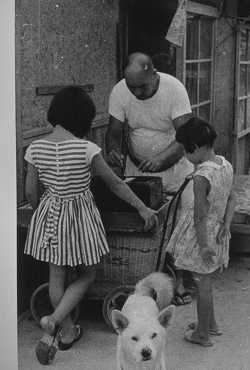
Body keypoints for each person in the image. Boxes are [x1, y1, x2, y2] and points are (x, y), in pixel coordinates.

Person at [25, 87, 158, 365]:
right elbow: (115, 184)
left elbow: (30, 193)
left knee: (57, 275)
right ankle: (56, 320)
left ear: (55, 114)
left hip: (50, 215)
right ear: (82, 118)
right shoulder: (87, 148)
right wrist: (142, 207)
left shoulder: (35, 148)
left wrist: (43, 211)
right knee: (87, 274)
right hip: (80, 217)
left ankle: (68, 332)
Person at [106, 52, 196, 305]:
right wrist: (114, 152)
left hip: (175, 169)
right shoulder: (120, 91)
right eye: (131, 87)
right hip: (139, 170)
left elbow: (186, 136)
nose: (136, 93)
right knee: (145, 224)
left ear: (153, 73)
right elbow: (114, 132)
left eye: (142, 87)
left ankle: (178, 281)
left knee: (178, 225)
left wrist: (161, 160)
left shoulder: (174, 89)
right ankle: (145, 283)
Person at [165, 117, 235, 347]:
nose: (186, 155)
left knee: (202, 285)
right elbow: (232, 197)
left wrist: (203, 245)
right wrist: (226, 224)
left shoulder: (201, 177)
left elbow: (199, 215)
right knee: (206, 281)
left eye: (186, 151)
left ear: (195, 148)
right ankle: (210, 325)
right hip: (218, 231)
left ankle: (202, 334)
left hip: (202, 234)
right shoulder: (225, 164)